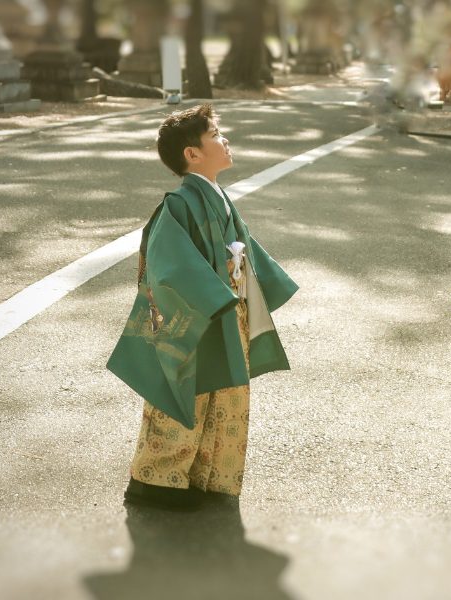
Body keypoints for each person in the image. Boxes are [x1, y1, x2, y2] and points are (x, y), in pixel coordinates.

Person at [107, 104, 298, 510]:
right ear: (192, 153)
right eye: (215, 134)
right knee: (188, 389)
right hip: (201, 310)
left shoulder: (220, 198)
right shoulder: (178, 205)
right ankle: (155, 480)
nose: (224, 140)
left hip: (227, 308)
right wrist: (213, 296)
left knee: (224, 391)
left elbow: (244, 254)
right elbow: (167, 263)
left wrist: (247, 285)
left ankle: (204, 475)